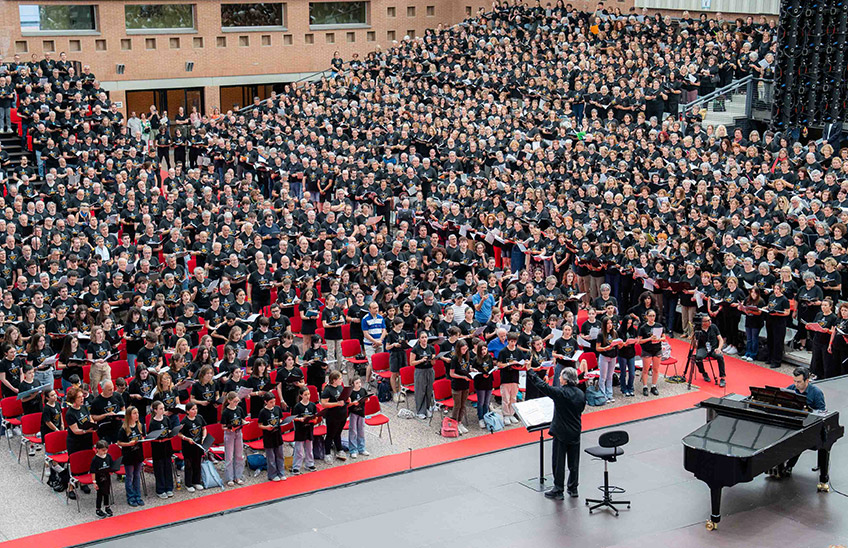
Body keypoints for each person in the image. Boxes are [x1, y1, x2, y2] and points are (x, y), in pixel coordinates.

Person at [527, 367, 586, 500]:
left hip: (561, 432)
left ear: (565, 380)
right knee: (574, 462)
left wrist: (531, 372)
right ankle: (573, 488)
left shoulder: (560, 393)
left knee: (558, 462)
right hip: (575, 430)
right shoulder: (580, 393)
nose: (559, 378)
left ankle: (558, 489)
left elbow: (543, 386)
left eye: (560, 376)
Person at [768, 367, 827, 478]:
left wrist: (809, 412)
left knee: (798, 441)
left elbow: (822, 412)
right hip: (792, 422)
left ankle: (789, 466)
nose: (796, 384)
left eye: (799, 382)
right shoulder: (791, 389)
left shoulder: (816, 393)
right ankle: (777, 465)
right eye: (794, 381)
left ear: (807, 381)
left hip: (808, 425)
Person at [116, 406, 145, 507]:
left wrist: (143, 439)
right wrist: (129, 444)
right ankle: (131, 497)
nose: (137, 415)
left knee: (137, 475)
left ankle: (138, 495)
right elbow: (119, 442)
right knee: (129, 477)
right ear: (129, 415)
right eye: (134, 413)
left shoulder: (139, 426)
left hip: (138, 454)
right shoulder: (123, 429)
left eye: (137, 413)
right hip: (129, 456)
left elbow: (142, 437)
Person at [257, 392, 287, 482]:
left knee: (280, 455)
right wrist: (267, 427)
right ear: (266, 402)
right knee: (271, 457)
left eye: (274, 401)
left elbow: (280, 418)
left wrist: (280, 422)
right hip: (268, 436)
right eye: (271, 402)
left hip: (277, 435)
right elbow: (260, 425)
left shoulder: (277, 408)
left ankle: (281, 472)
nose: (273, 404)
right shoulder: (262, 412)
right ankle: (272, 474)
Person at [320, 370, 349, 462]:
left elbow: (343, 398)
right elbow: (324, 404)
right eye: (340, 378)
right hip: (333, 416)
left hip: (342, 414)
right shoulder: (328, 390)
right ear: (334, 380)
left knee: (338, 433)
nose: (341, 380)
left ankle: (339, 449)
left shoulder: (340, 387)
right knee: (330, 434)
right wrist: (337, 404)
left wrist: (348, 399)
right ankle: (327, 453)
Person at [148, 400, 175, 498]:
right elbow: (151, 436)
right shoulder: (153, 422)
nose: (163, 410)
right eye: (160, 409)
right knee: (159, 468)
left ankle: (169, 488)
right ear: (155, 410)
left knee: (168, 467)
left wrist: (171, 432)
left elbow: (170, 430)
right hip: (158, 448)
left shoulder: (166, 419)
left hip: (167, 446)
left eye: (163, 408)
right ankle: (160, 489)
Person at [179, 402, 207, 492]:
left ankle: (196, 481)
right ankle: (188, 483)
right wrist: (186, 438)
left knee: (197, 463)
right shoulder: (184, 421)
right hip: (188, 447)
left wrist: (204, 437)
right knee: (189, 465)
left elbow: (204, 428)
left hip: (198, 446)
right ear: (187, 411)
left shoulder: (199, 418)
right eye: (193, 409)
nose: (195, 411)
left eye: (196, 409)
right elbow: (179, 434)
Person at [496, 332, 523, 424]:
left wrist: (521, 365)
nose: (513, 343)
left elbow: (522, 362)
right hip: (505, 378)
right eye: (511, 341)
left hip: (515, 377)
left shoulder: (518, 351)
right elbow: (499, 364)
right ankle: (506, 415)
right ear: (508, 341)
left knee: (513, 397)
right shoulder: (503, 352)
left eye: (514, 341)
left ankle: (512, 414)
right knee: (506, 398)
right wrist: (509, 363)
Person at [692, 314, 727, 387]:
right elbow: (695, 346)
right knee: (698, 357)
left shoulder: (713, 327)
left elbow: (720, 339)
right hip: (703, 348)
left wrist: (719, 348)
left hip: (713, 348)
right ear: (703, 323)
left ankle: (722, 377)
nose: (710, 321)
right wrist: (694, 339)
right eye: (708, 320)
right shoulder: (698, 329)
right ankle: (703, 372)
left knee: (720, 356)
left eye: (710, 320)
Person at [221, 391, 246, 486]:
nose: (236, 403)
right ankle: (229, 478)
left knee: (239, 455)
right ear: (229, 401)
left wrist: (245, 423)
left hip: (238, 432)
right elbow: (223, 426)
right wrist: (230, 428)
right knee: (229, 456)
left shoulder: (239, 409)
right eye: (235, 401)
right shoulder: (226, 412)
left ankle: (238, 476)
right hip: (229, 434)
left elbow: (242, 419)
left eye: (237, 401)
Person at [410, 330, 436, 420]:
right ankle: (420, 411)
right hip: (420, 371)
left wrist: (433, 359)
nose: (424, 339)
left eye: (425, 337)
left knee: (429, 390)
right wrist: (421, 360)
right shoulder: (415, 349)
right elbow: (411, 363)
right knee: (420, 391)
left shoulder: (431, 348)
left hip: (429, 370)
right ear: (419, 339)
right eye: (422, 338)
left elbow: (433, 363)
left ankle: (427, 408)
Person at [637, 308, 663, 396]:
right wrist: (649, 339)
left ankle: (653, 386)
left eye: (653, 316)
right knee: (646, 369)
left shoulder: (659, 326)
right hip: (647, 350)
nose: (652, 318)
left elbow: (664, 337)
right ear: (647, 317)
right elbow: (639, 341)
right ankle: (645, 386)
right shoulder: (643, 328)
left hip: (657, 349)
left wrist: (659, 339)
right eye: (650, 316)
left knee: (656, 369)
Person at [291, 386, 317, 474]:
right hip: (300, 430)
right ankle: (296, 466)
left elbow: (315, 417)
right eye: (305, 395)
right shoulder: (297, 406)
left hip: (309, 429)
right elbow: (293, 418)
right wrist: (300, 419)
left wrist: (314, 420)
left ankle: (309, 464)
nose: (307, 396)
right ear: (301, 395)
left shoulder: (312, 405)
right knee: (299, 450)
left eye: (308, 394)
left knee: (309, 448)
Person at [448, 339, 471, 434]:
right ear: (458, 349)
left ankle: (460, 422)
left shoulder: (467, 356)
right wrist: (463, 377)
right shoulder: (455, 358)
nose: (465, 351)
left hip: (466, 384)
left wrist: (472, 370)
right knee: (457, 405)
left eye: (466, 349)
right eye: (463, 349)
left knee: (463, 405)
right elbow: (452, 374)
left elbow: (467, 368)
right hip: (457, 385)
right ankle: (455, 422)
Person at [89, 440, 115, 518]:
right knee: (99, 494)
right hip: (99, 479)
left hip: (107, 478)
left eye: (106, 450)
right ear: (97, 449)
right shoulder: (95, 459)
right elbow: (93, 472)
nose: (105, 452)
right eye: (103, 450)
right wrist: (94, 482)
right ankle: (98, 509)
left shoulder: (108, 456)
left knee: (107, 492)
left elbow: (111, 465)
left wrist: (112, 470)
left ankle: (107, 506)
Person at [385, 317, 408, 402]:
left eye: (402, 326)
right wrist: (393, 345)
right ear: (394, 325)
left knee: (401, 374)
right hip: (394, 354)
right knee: (394, 374)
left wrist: (406, 346)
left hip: (402, 353)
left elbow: (406, 343)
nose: (401, 328)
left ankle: (400, 391)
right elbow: (387, 347)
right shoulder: (391, 334)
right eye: (399, 326)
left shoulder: (404, 333)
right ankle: (395, 393)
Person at [347, 376, 369, 458]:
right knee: (353, 431)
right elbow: (348, 405)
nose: (359, 384)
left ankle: (361, 448)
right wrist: (353, 403)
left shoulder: (363, 390)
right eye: (357, 383)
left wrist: (367, 400)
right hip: (353, 413)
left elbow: (367, 399)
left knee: (361, 431)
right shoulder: (350, 392)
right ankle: (353, 450)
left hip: (361, 413)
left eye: (360, 382)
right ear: (353, 384)